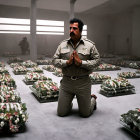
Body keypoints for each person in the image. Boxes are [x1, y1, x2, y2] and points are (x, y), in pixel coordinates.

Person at [53, 18, 100, 117]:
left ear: (80, 30)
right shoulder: (62, 45)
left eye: (74, 28)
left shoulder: (89, 45)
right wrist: (67, 62)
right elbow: (54, 60)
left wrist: (81, 63)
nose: (71, 31)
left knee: (85, 114)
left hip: (83, 83)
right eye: (70, 28)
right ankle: (66, 103)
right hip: (66, 83)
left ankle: (92, 100)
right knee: (61, 113)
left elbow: (97, 61)